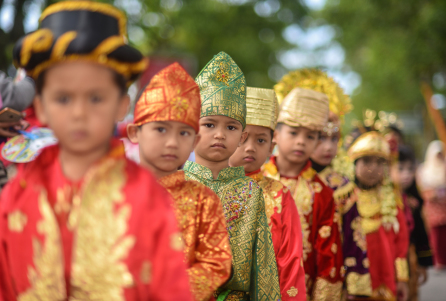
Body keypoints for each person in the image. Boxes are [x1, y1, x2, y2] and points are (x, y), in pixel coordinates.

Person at [0, 2, 192, 299]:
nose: (79, 112)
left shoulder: (146, 196)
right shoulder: (18, 193)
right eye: (63, 98)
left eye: (96, 98)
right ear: (40, 106)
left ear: (121, 105)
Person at [127, 62, 232, 301]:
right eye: (161, 130)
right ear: (135, 132)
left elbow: (216, 263)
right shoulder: (113, 191)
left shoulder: (204, 199)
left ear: (195, 141)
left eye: (183, 133)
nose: (173, 142)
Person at [183, 52, 281, 301]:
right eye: (209, 124)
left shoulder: (250, 192)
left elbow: (263, 269)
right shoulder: (176, 186)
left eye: (231, 127)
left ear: (242, 135)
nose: (219, 134)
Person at [262, 87, 344, 300]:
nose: (301, 141)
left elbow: (329, 251)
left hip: (302, 290)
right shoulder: (253, 182)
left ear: (317, 142)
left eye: (310, 136)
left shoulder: (321, 193)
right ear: (276, 134)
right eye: (294, 132)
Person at [228, 87, 306, 301]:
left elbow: (291, 261)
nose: (250, 148)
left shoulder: (280, 196)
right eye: (242, 138)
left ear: (272, 146)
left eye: (260, 140)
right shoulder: (204, 188)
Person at [347, 131, 410, 301]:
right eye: (366, 161)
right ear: (354, 163)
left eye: (380, 162)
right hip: (353, 281)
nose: (373, 168)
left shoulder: (391, 200)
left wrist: (402, 279)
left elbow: (401, 241)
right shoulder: (345, 199)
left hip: (386, 277)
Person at [391, 145, 433, 301]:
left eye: (410, 169)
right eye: (400, 169)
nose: (406, 175)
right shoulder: (382, 200)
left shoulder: (414, 201)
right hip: (389, 255)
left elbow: (421, 233)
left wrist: (424, 262)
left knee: (410, 292)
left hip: (410, 256)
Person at [416, 140, 446, 270]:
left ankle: (443, 260)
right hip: (432, 207)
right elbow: (420, 189)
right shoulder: (424, 170)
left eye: (441, 154)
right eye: (437, 155)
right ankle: (437, 260)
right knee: (435, 234)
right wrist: (432, 194)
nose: (439, 157)